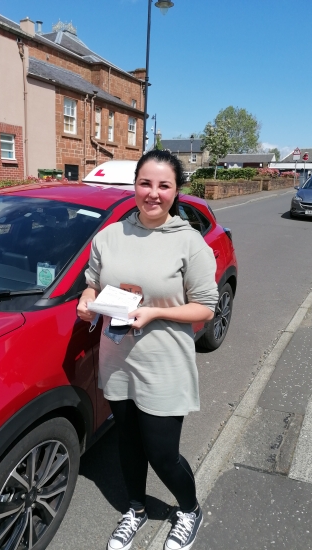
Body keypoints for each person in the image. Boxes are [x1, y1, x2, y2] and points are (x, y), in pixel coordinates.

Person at [77, 150, 218, 550]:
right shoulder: (109, 236)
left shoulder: (189, 243)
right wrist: (86, 300)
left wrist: (154, 312)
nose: (152, 193)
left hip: (163, 364)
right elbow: (93, 283)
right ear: (134, 185)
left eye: (163, 185)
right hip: (118, 358)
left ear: (176, 192)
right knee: (128, 443)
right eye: (145, 183)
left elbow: (206, 306)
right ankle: (135, 509)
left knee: (162, 452)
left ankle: (189, 510)